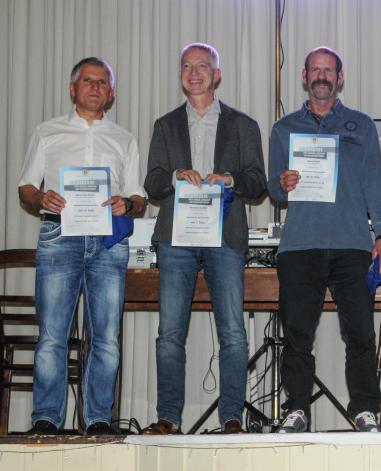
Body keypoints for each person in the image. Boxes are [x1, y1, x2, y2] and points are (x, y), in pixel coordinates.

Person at [142, 43, 267, 435]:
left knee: (232, 333)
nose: (193, 72)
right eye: (186, 66)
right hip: (175, 238)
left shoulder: (243, 125)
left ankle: (231, 418)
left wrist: (230, 179)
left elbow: (258, 183)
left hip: (225, 236)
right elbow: (152, 184)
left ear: (217, 74)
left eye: (202, 66)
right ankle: (168, 418)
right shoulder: (165, 125)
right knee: (169, 335)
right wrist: (175, 176)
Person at [18, 57, 146, 435]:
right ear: (73, 89)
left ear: (112, 93)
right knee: (52, 334)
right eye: (88, 80)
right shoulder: (47, 132)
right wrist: (41, 198)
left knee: (106, 337)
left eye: (102, 82)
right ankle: (46, 418)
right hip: (59, 236)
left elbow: (139, 196)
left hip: (108, 241)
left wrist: (128, 204)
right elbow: (25, 187)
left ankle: (98, 419)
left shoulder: (125, 139)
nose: (95, 87)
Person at [267, 46, 381, 433]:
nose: (321, 76)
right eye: (315, 70)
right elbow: (274, 188)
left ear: (340, 78)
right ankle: (296, 409)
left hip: (352, 244)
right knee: (297, 334)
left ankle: (365, 409)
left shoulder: (361, 125)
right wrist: (283, 183)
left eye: (328, 70)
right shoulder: (283, 128)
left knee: (360, 333)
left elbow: (376, 184)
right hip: (299, 246)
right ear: (304, 77)